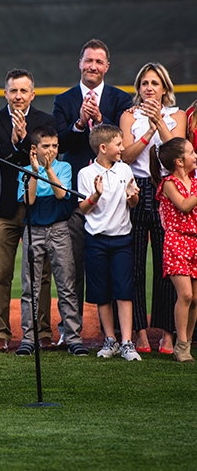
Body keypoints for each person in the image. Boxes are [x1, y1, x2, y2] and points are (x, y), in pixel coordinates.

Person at [53, 39, 132, 345]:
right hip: (77, 194)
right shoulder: (64, 99)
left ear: (106, 66)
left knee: (115, 269)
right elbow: (59, 142)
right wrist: (79, 122)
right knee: (72, 266)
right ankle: (70, 332)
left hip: (113, 201)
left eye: (99, 62)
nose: (93, 67)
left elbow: (122, 142)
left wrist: (100, 121)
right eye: (88, 61)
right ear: (80, 63)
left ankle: (112, 335)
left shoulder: (120, 99)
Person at [0, 69, 57, 353]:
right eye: (13, 91)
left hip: (37, 208)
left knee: (40, 275)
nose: (18, 96)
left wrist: (27, 139)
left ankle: (42, 331)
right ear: (5, 93)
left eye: (23, 91)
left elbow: (50, 157)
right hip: (3, 208)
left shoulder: (46, 121)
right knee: (1, 274)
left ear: (32, 94)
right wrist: (14, 142)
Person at [120, 63, 186, 353]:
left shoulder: (177, 115)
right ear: (138, 88)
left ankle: (168, 333)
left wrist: (159, 121)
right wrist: (146, 130)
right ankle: (140, 332)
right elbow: (126, 156)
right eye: (144, 83)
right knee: (133, 264)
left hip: (166, 191)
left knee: (166, 265)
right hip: (136, 188)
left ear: (165, 88)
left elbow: (176, 154)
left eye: (155, 83)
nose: (149, 88)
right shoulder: (129, 116)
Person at [16, 126, 87, 356]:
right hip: (33, 230)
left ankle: (73, 337)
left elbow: (60, 194)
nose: (52, 150)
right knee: (30, 287)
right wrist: (36, 172)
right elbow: (29, 199)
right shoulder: (25, 170)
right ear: (34, 149)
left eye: (55, 146)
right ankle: (29, 337)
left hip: (59, 230)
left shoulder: (63, 167)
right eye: (46, 146)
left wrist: (48, 170)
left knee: (66, 285)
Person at [78, 125, 141, 361]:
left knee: (124, 291)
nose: (123, 148)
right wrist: (95, 195)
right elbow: (83, 208)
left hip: (122, 240)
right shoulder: (85, 173)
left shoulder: (125, 169)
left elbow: (132, 203)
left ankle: (126, 342)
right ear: (103, 148)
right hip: (95, 240)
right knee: (101, 292)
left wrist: (133, 196)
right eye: (118, 144)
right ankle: (110, 340)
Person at [150, 138, 197, 362]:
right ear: (179, 161)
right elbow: (184, 205)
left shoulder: (195, 182)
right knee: (185, 294)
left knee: (196, 298)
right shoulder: (168, 182)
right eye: (191, 152)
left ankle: (185, 343)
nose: (195, 155)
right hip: (177, 241)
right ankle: (181, 344)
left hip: (195, 241)